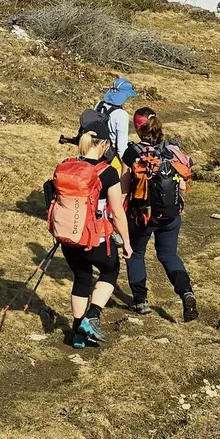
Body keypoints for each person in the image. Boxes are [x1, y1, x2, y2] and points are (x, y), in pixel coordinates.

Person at [53, 129, 132, 348]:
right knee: (110, 270)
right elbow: (117, 212)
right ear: (103, 144)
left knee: (81, 277)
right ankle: (92, 316)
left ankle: (77, 333)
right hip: (96, 237)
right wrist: (126, 240)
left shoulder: (65, 166)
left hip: (68, 236)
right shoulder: (107, 173)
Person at [124, 108, 197, 322]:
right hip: (171, 215)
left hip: (143, 216)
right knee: (169, 255)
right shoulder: (174, 150)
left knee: (136, 253)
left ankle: (140, 300)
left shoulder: (132, 153)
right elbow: (183, 187)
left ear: (138, 128)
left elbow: (123, 189)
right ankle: (186, 292)